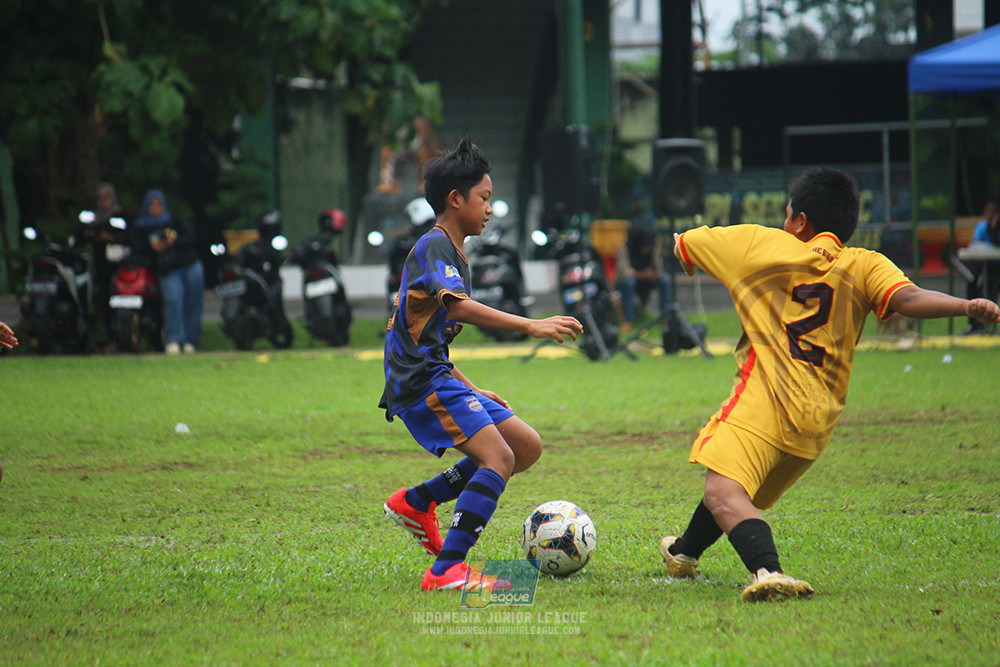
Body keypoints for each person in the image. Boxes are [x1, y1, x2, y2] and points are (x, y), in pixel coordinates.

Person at [658, 167, 1000, 602]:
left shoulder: (756, 243)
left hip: (766, 402)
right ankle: (683, 554)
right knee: (736, 493)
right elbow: (908, 298)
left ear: (799, 221)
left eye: (787, 215)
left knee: (722, 491)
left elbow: (682, 244)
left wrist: (703, 256)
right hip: (816, 426)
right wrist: (965, 304)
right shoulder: (864, 264)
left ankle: (769, 573)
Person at [379, 136, 583, 592]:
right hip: (419, 383)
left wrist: (472, 389)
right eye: (484, 198)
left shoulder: (453, 253)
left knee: (524, 446)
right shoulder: (434, 247)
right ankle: (447, 568)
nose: (490, 208)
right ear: (456, 199)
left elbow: (429, 341)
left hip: (434, 373)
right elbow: (458, 309)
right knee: (498, 457)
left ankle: (416, 502)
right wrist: (531, 325)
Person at [131, 189, 204, 354]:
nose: (155, 208)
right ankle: (174, 340)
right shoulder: (141, 227)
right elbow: (137, 248)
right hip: (168, 269)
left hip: (189, 264)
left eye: (158, 205)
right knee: (173, 301)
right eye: (152, 205)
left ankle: (191, 342)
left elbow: (191, 238)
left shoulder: (174, 220)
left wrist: (173, 240)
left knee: (193, 303)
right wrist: (153, 247)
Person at [75, 183, 130, 337]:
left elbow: (129, 236)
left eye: (107, 197)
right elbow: (79, 235)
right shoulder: (93, 218)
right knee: (102, 299)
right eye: (100, 198)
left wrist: (111, 238)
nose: (103, 201)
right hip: (100, 266)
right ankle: (106, 333)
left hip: (119, 266)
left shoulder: (120, 216)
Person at [615, 222, 672, 331]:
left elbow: (658, 266)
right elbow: (624, 271)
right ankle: (627, 320)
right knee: (629, 283)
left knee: (664, 280)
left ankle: (665, 317)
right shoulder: (625, 248)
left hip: (648, 279)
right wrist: (641, 275)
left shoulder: (654, 246)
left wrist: (654, 273)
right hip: (629, 280)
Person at [960, 196, 1000, 334]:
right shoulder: (983, 227)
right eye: (988, 211)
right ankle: (974, 325)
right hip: (986, 267)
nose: (990, 214)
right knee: (974, 282)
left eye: (993, 211)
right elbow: (976, 244)